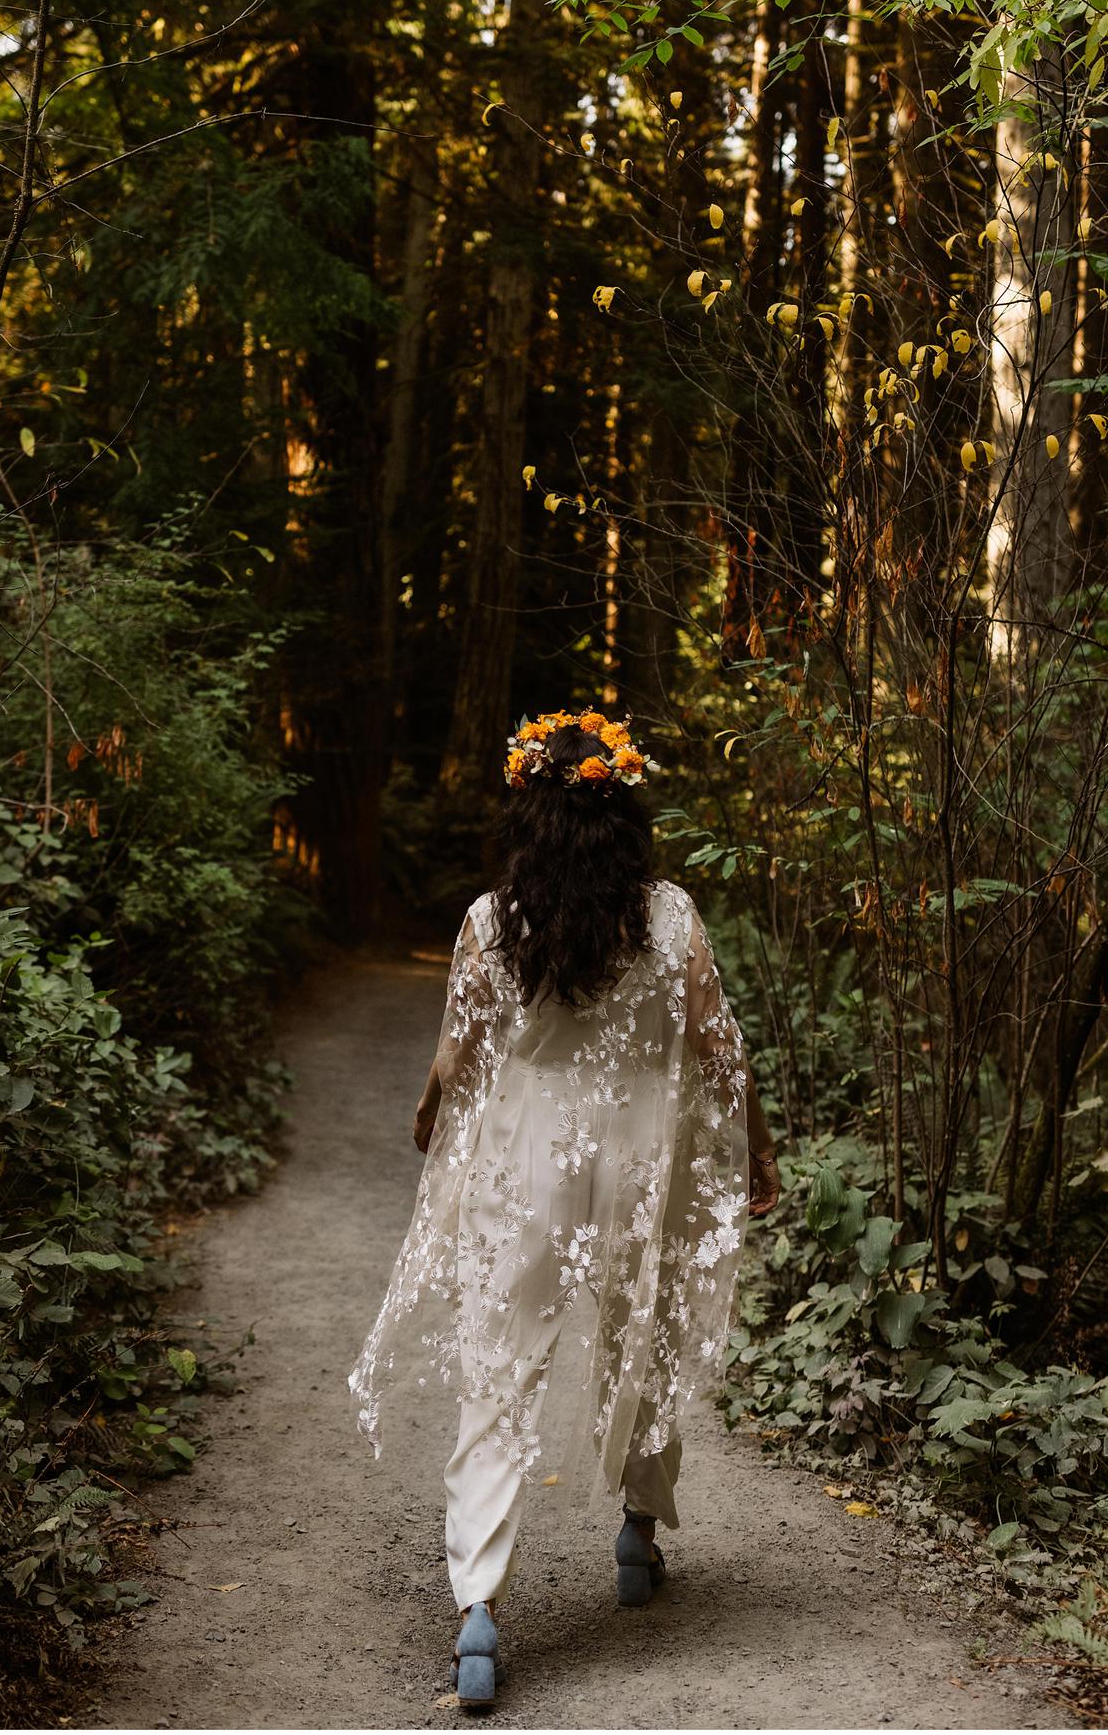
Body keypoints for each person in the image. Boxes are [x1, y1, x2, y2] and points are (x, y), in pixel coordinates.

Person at [348, 708, 780, 1706]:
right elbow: (722, 1047)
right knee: (645, 1334)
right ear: (626, 811)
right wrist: (757, 1143)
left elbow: (459, 1053)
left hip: (527, 1159)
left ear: (530, 808)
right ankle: (637, 1535)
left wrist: (426, 1109)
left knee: (500, 1365)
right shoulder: (668, 915)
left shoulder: (494, 919)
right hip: (640, 1161)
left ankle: (481, 1615)